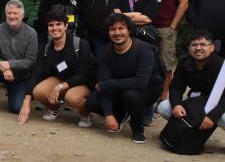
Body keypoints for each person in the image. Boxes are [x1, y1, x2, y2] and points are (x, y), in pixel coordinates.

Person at [85, 13, 162, 144]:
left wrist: (107, 84)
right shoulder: (104, 52)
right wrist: (108, 114)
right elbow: (104, 83)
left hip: (146, 89)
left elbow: (141, 82)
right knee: (91, 101)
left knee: (131, 95)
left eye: (121, 28)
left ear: (129, 30)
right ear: (108, 32)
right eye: (113, 29)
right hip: (119, 88)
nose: (117, 33)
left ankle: (138, 129)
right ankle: (119, 115)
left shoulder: (144, 48)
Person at [19, 8, 96, 127]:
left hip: (82, 82)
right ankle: (55, 107)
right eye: (51, 25)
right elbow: (36, 73)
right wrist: (26, 101)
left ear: (66, 26)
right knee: (38, 91)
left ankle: (86, 113)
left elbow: (87, 74)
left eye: (59, 24)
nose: (55, 28)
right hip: (61, 80)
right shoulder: (46, 48)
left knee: (72, 98)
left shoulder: (80, 44)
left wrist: (60, 87)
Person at [157, 30, 225, 130]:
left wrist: (212, 116)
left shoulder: (222, 65)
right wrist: (177, 105)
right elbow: (176, 87)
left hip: (218, 105)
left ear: (212, 47)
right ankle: (190, 131)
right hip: (196, 101)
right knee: (164, 107)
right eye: (194, 44)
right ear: (189, 48)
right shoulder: (184, 62)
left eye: (203, 44)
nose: (198, 48)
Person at [0, 0, 38, 115]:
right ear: (5, 14)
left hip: (21, 75)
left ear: (22, 15)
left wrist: (10, 64)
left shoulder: (31, 33)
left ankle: (14, 92)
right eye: (9, 13)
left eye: (15, 13)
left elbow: (30, 61)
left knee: (16, 108)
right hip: (1, 71)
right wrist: (4, 68)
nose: (12, 16)